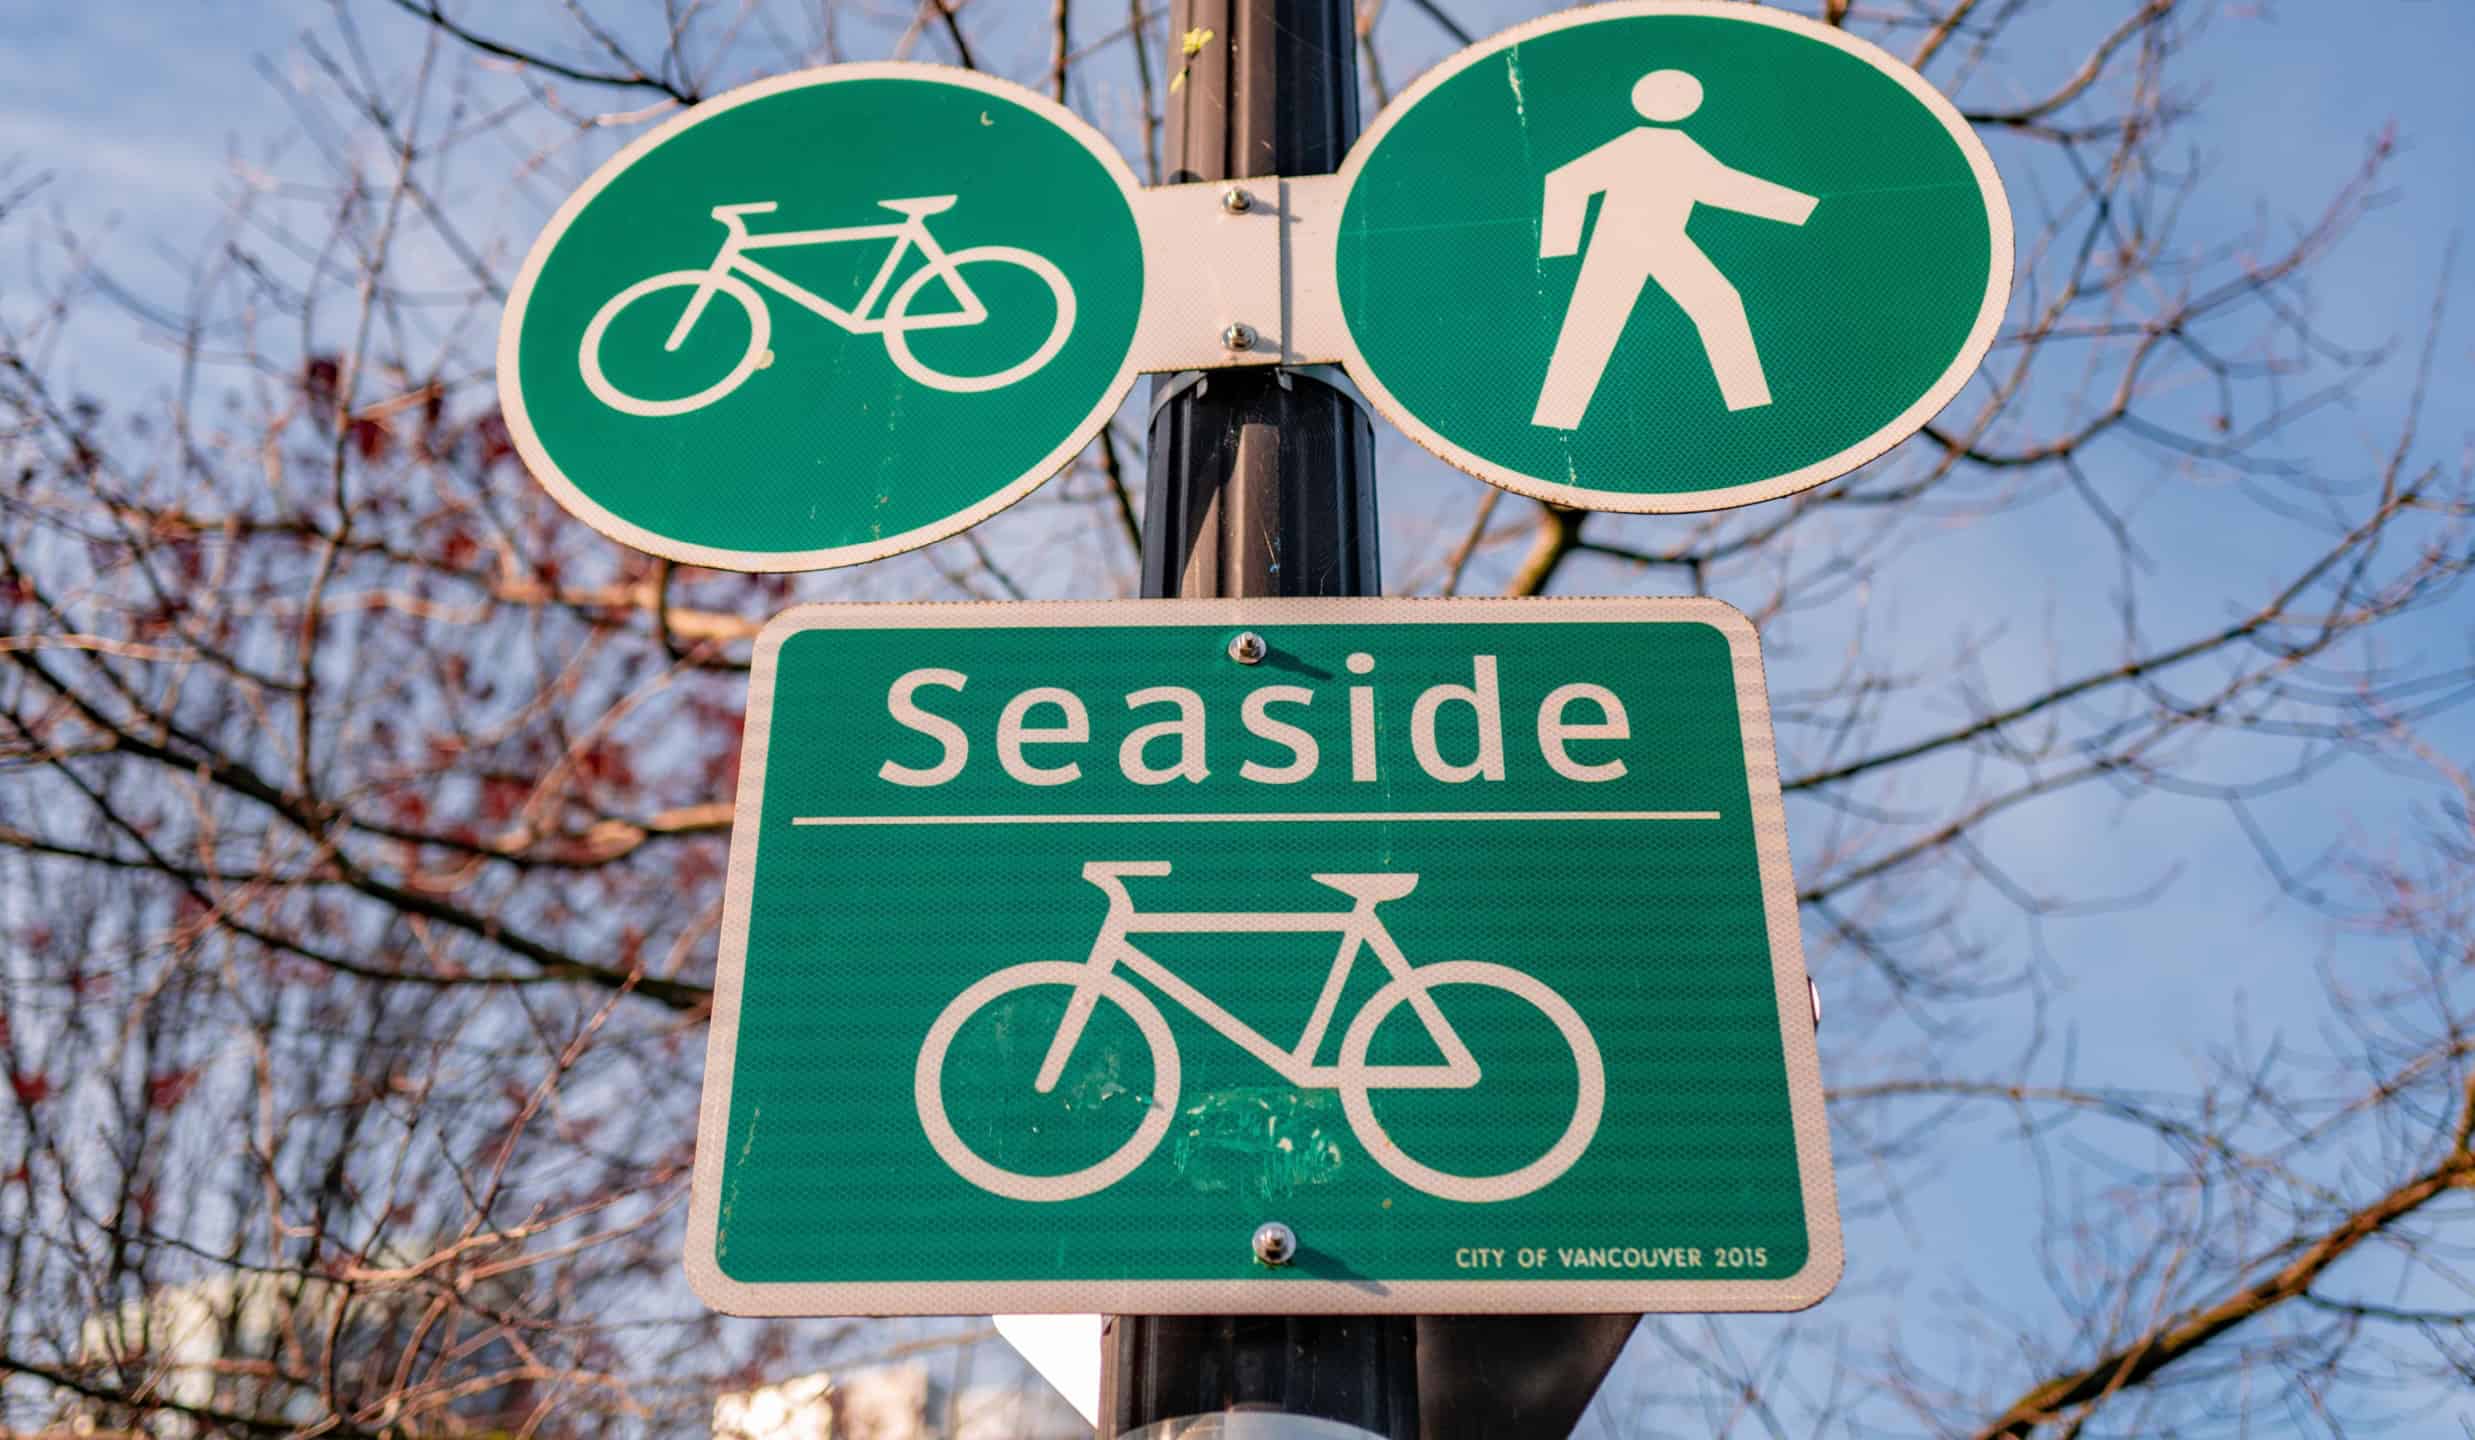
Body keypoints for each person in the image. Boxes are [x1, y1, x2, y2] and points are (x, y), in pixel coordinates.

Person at [1532, 69, 1818, 429]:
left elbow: (1722, 186)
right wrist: (1559, 249)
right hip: (1620, 244)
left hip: (1662, 241)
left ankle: (1752, 409)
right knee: (1594, 324)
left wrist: (1800, 208)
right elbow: (1566, 181)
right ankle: (1557, 418)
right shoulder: (1635, 145)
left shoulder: (1680, 147)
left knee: (1719, 304)